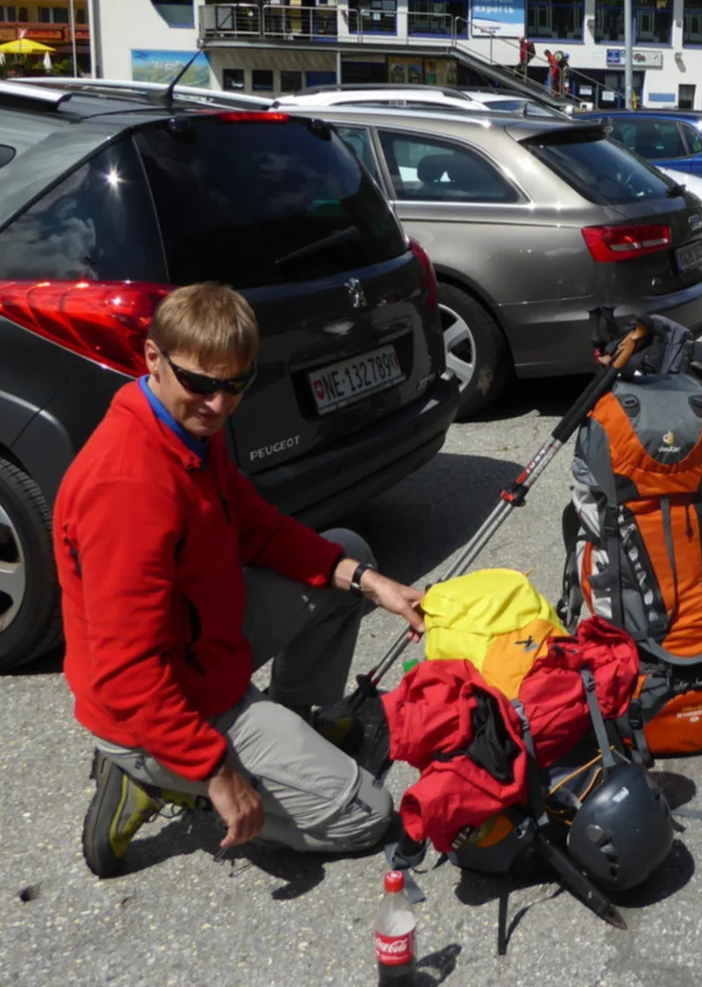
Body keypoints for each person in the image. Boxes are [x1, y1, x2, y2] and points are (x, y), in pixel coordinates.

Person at [56, 283, 426, 876]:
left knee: (348, 554)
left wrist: (367, 580)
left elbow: (257, 530)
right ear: (152, 358)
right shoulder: (126, 489)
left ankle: (294, 723)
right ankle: (155, 779)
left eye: (235, 384)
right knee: (368, 815)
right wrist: (215, 771)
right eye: (200, 383)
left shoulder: (191, 429)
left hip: (202, 651)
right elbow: (126, 673)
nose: (218, 403)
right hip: (155, 711)